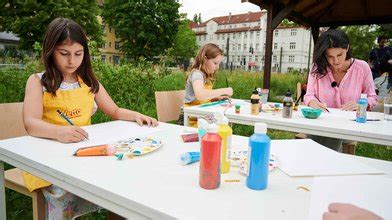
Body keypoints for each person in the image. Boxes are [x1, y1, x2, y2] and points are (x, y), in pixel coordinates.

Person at [23, 18, 157, 219]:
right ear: (50, 51)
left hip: (83, 154)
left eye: (78, 54)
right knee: (63, 189)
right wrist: (58, 132)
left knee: (122, 181)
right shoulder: (38, 82)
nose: (71, 61)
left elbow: (115, 111)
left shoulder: (88, 82)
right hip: (49, 159)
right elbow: (30, 123)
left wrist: (137, 115)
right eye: (64, 54)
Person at [304, 29, 377, 152]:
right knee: (326, 132)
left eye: (340, 55)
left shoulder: (362, 67)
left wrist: (360, 105)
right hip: (320, 124)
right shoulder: (317, 68)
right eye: (330, 56)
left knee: (332, 133)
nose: (336, 61)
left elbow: (372, 97)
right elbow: (309, 96)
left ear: (347, 48)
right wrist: (312, 103)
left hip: (350, 126)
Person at [181, 43, 233, 126]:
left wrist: (214, 98)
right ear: (204, 59)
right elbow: (200, 95)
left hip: (200, 115)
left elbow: (202, 99)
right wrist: (224, 90)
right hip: (190, 119)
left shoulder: (205, 76)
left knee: (221, 125)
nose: (218, 67)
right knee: (219, 127)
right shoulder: (197, 74)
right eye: (215, 63)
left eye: (219, 64)